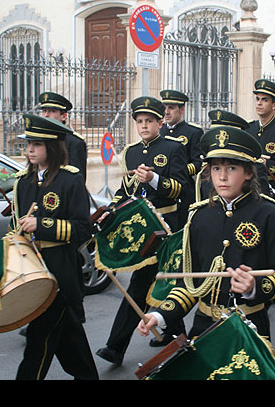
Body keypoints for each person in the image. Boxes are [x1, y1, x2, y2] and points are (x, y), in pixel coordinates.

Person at [137, 126, 275, 340]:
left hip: (249, 328)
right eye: (216, 169)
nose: (222, 177)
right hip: (203, 327)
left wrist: (253, 287)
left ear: (248, 173)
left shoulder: (271, 216)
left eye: (231, 168)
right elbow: (188, 282)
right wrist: (161, 315)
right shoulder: (198, 217)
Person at [95, 96, 188, 365]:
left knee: (152, 282)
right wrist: (111, 210)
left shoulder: (174, 148)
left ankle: (116, 346)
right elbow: (125, 190)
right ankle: (176, 333)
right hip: (141, 227)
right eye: (140, 121)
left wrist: (154, 179)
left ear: (160, 122)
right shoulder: (131, 152)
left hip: (166, 227)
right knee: (152, 281)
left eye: (149, 121)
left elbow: (182, 188)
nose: (144, 126)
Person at [11, 113, 98, 380]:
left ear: (51, 147)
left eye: (36, 145)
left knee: (39, 341)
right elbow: (18, 227)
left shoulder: (69, 180)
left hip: (60, 269)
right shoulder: (22, 181)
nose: (29, 150)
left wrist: (42, 225)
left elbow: (83, 229)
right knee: (69, 337)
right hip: (34, 268)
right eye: (28, 144)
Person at [159, 89, 204, 229]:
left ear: (182, 109)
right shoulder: (159, 132)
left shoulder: (193, 132)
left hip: (184, 190)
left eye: (171, 108)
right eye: (164, 108)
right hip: (161, 189)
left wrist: (178, 171)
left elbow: (198, 163)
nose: (166, 112)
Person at [38, 91, 88, 181]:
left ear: (64, 116)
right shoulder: (39, 139)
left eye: (52, 111)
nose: (46, 115)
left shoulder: (74, 143)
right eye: (44, 111)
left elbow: (78, 180)